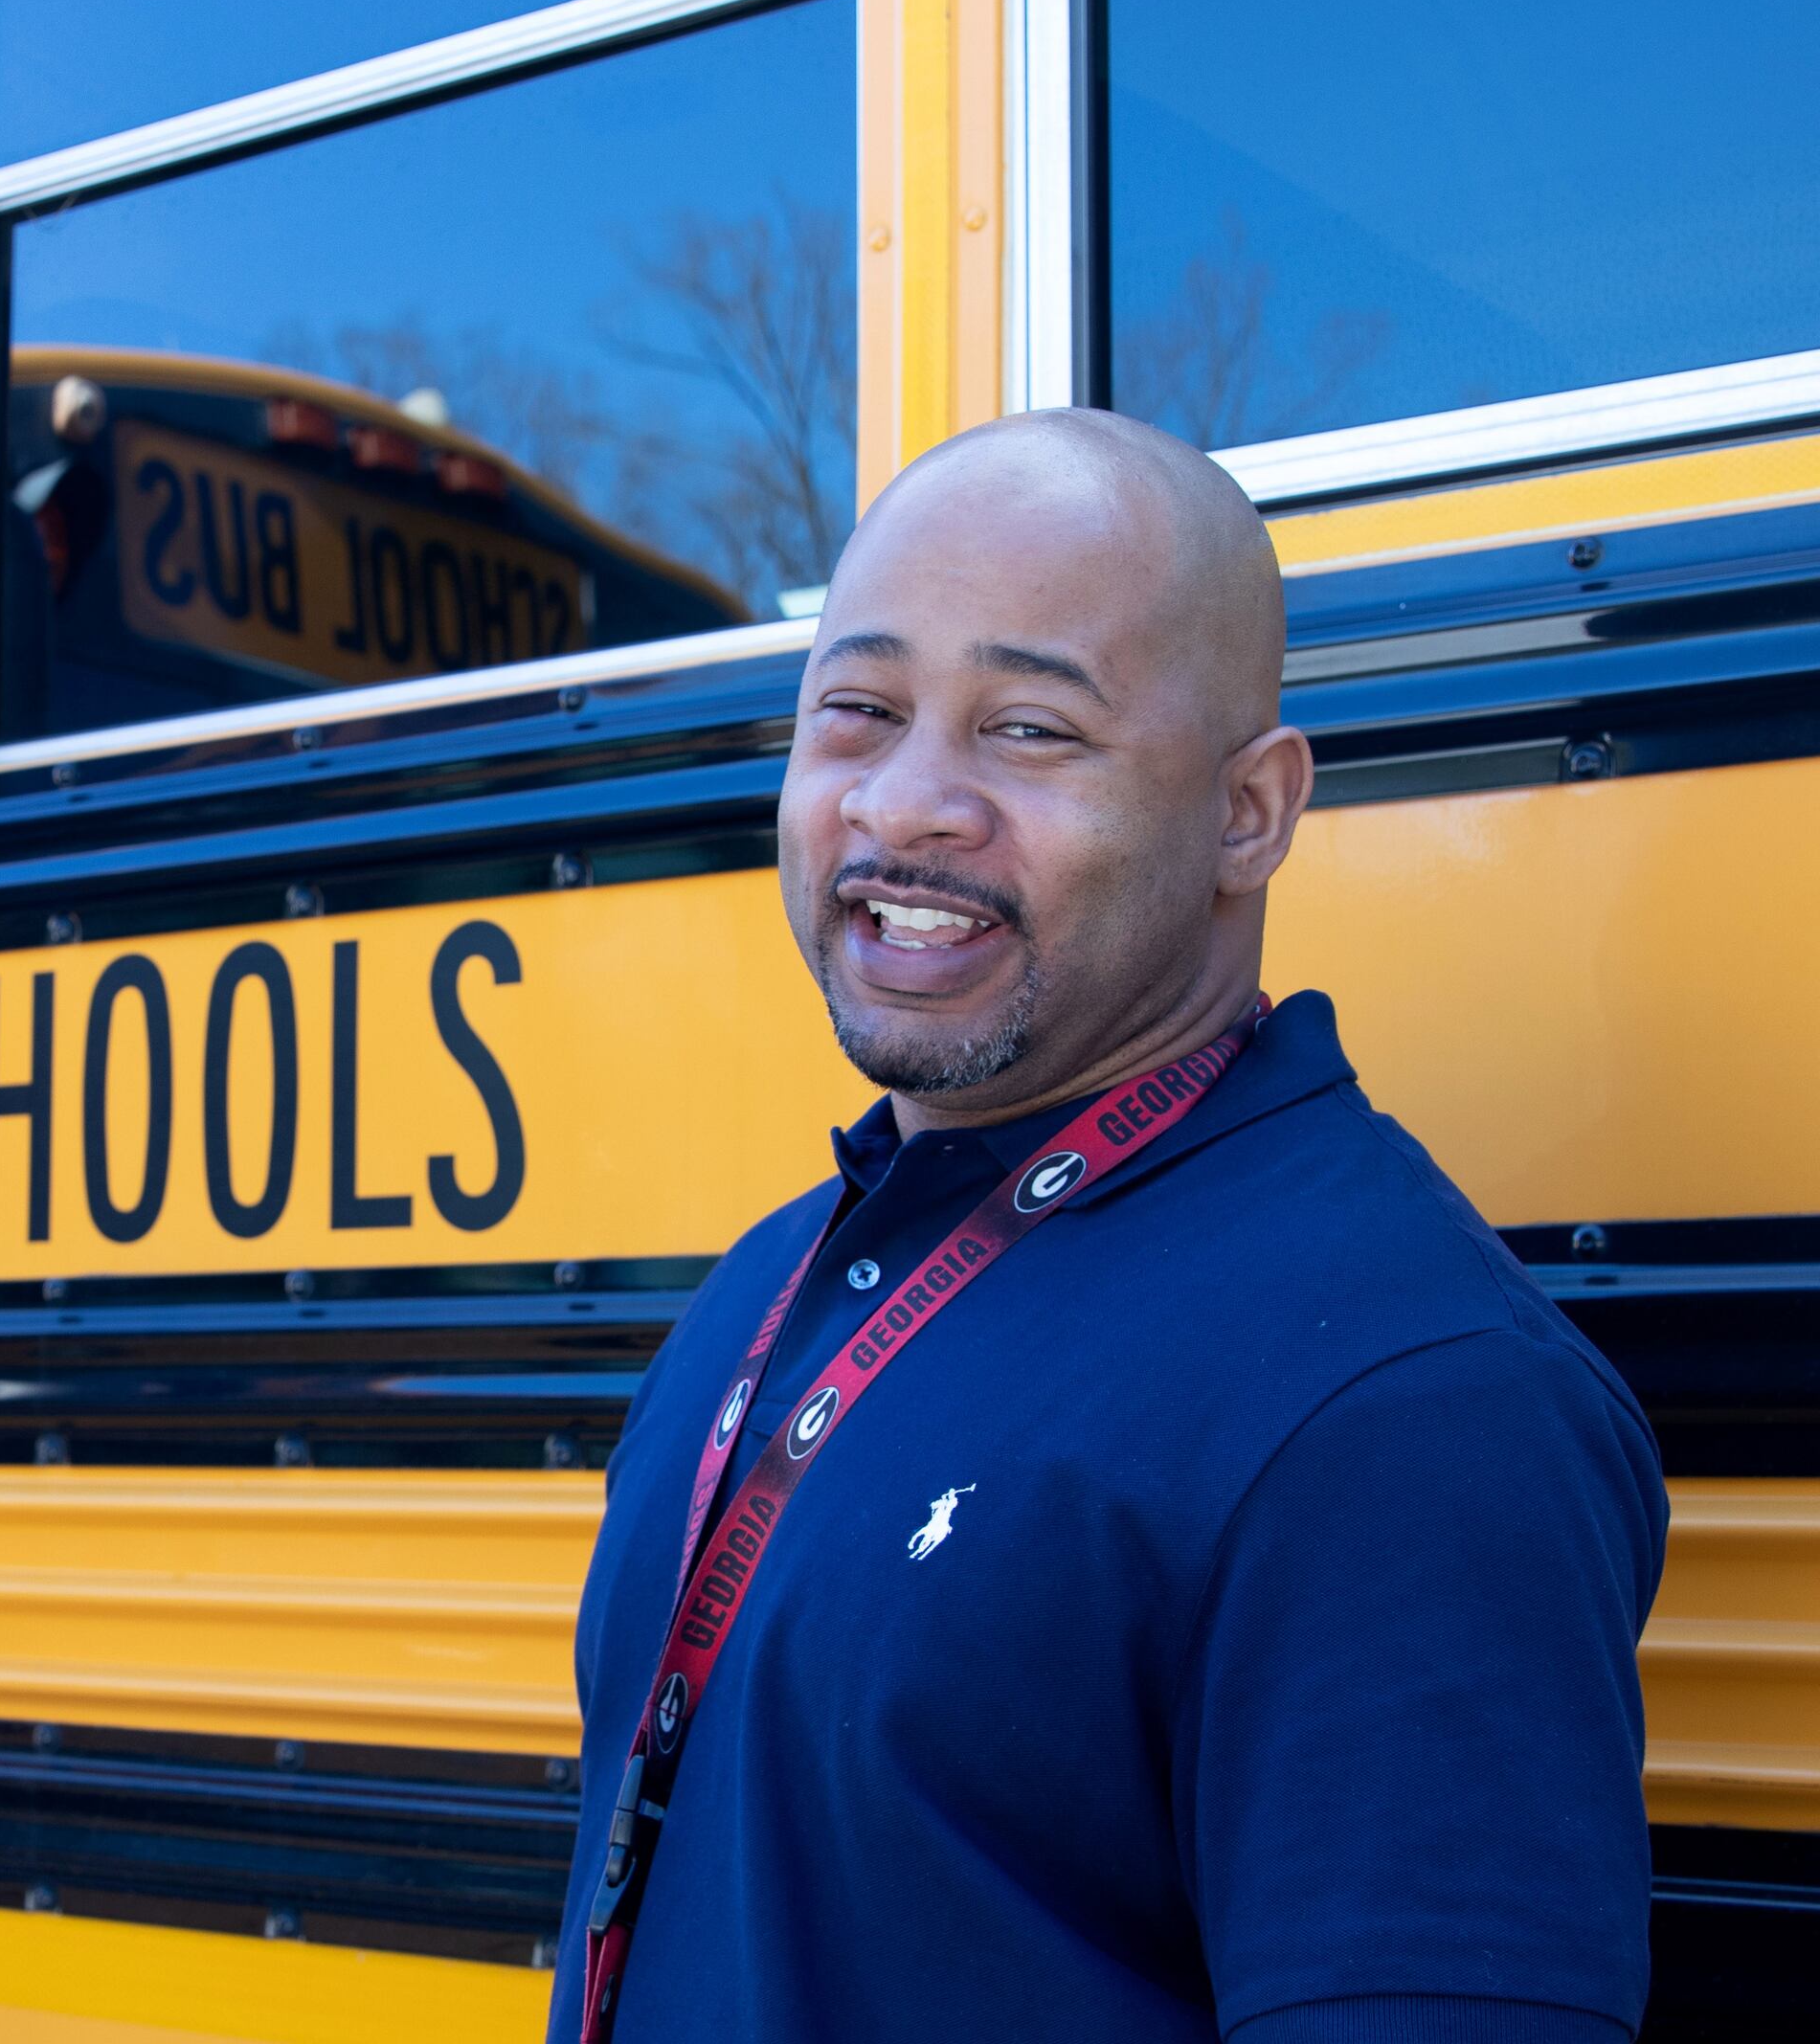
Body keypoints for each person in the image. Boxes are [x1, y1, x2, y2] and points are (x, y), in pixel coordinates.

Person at [551, 410, 1666, 2044]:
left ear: (1249, 814)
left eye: (1029, 730)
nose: (907, 805)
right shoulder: (766, 1294)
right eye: (857, 711)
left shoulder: (1401, 1400)